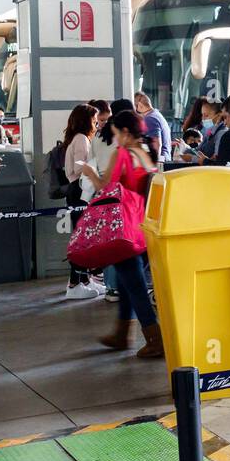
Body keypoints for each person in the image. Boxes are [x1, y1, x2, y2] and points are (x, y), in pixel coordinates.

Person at [81, 110, 164, 359]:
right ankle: (122, 333)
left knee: (135, 284)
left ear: (126, 133)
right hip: (144, 226)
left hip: (123, 229)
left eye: (117, 134)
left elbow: (107, 188)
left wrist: (89, 172)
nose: (115, 140)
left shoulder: (123, 154)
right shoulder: (147, 153)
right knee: (129, 281)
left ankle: (154, 337)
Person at [61, 103, 102, 300]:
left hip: (78, 189)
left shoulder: (78, 139)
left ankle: (84, 280)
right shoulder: (81, 140)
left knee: (83, 236)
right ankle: (75, 283)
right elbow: (79, 169)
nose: (97, 124)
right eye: (95, 121)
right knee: (82, 238)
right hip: (79, 190)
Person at [88, 107, 120, 303]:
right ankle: (118, 286)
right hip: (120, 195)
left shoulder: (98, 137)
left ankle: (111, 287)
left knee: (108, 241)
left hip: (101, 195)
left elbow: (92, 164)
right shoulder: (123, 140)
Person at [132, 92, 173, 163]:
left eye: (135, 107)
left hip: (160, 164)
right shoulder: (157, 115)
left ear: (140, 105)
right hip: (166, 160)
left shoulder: (149, 119)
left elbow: (156, 145)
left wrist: (151, 165)